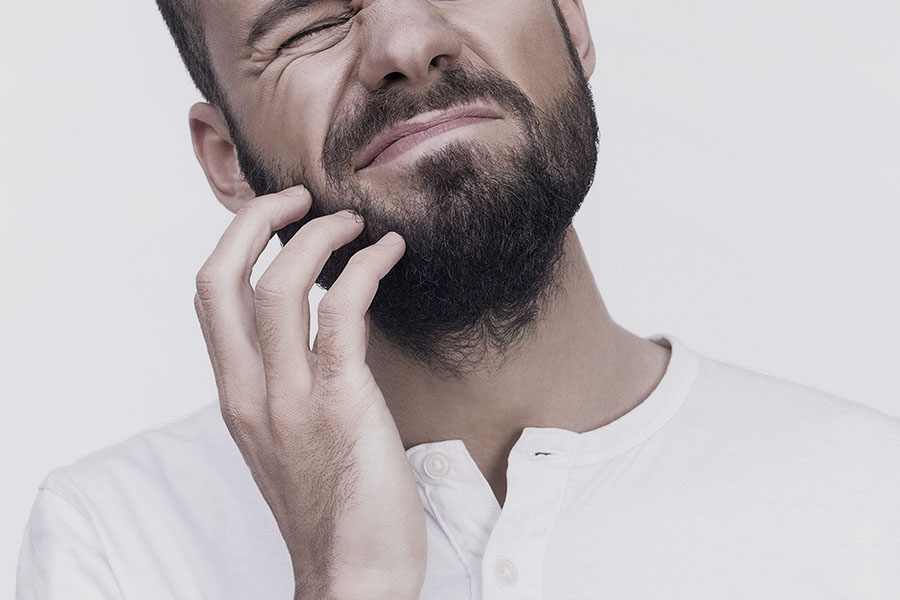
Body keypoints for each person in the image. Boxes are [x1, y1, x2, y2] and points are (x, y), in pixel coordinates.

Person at [16, 0, 900, 598]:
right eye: (310, 23)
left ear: (572, 24)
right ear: (226, 161)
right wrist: (346, 581)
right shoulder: (113, 540)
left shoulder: (875, 503)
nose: (406, 46)